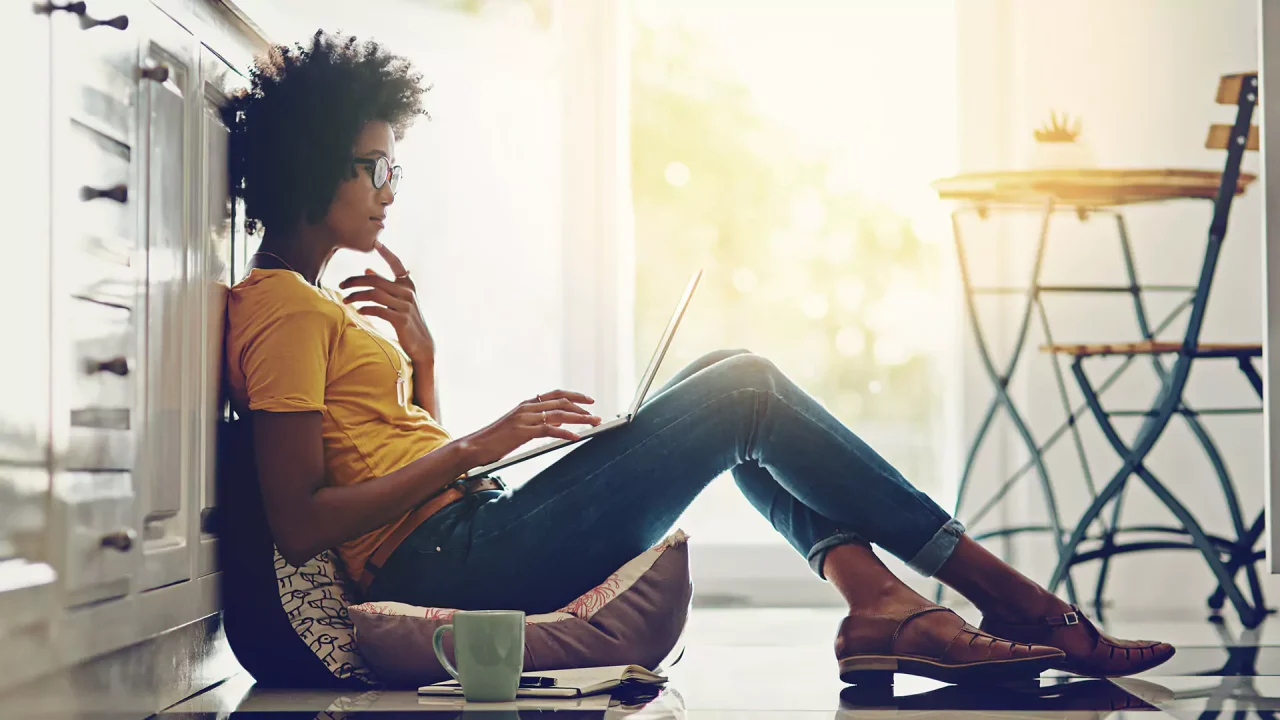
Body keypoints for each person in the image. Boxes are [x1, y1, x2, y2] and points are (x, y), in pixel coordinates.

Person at [222, 31, 1174, 685]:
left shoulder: (311, 303)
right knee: (744, 390)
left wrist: (423, 364)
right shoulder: (284, 308)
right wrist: (479, 443)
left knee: (730, 374)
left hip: (468, 534)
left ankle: (880, 599)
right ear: (315, 164)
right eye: (377, 167)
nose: (391, 189)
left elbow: (378, 457)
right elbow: (301, 523)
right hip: (453, 563)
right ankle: (1001, 593)